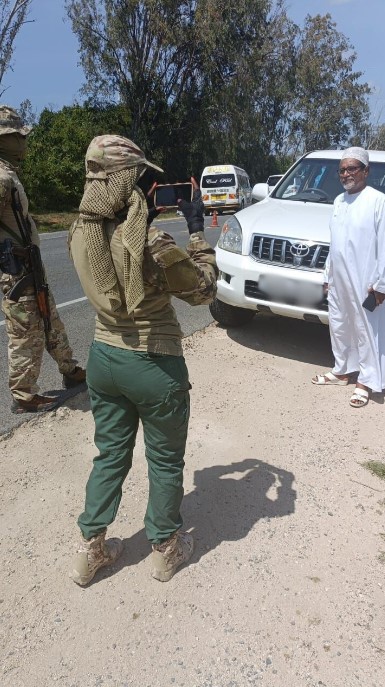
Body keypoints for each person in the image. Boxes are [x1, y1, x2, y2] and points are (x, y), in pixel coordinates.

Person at [68, 134, 218, 584]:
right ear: (128, 179)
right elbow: (204, 290)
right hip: (153, 363)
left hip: (103, 358)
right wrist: (197, 232)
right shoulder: (149, 242)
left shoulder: (80, 231)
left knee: (110, 454)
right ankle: (166, 549)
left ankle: (91, 550)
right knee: (165, 460)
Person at [0, 105, 86, 414]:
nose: (23, 142)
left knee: (49, 319)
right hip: (15, 269)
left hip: (29, 265)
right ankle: (23, 395)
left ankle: (70, 371)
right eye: (17, 137)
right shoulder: (0, 175)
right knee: (25, 332)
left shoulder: (9, 173)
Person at [312, 146, 385, 407]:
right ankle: (341, 370)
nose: (346, 174)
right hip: (339, 278)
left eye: (352, 168)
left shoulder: (378, 201)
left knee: (366, 330)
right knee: (339, 324)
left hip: (366, 280)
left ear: (366, 171)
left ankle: (366, 380)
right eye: (342, 170)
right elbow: (336, 242)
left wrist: (381, 285)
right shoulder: (339, 201)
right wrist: (327, 275)